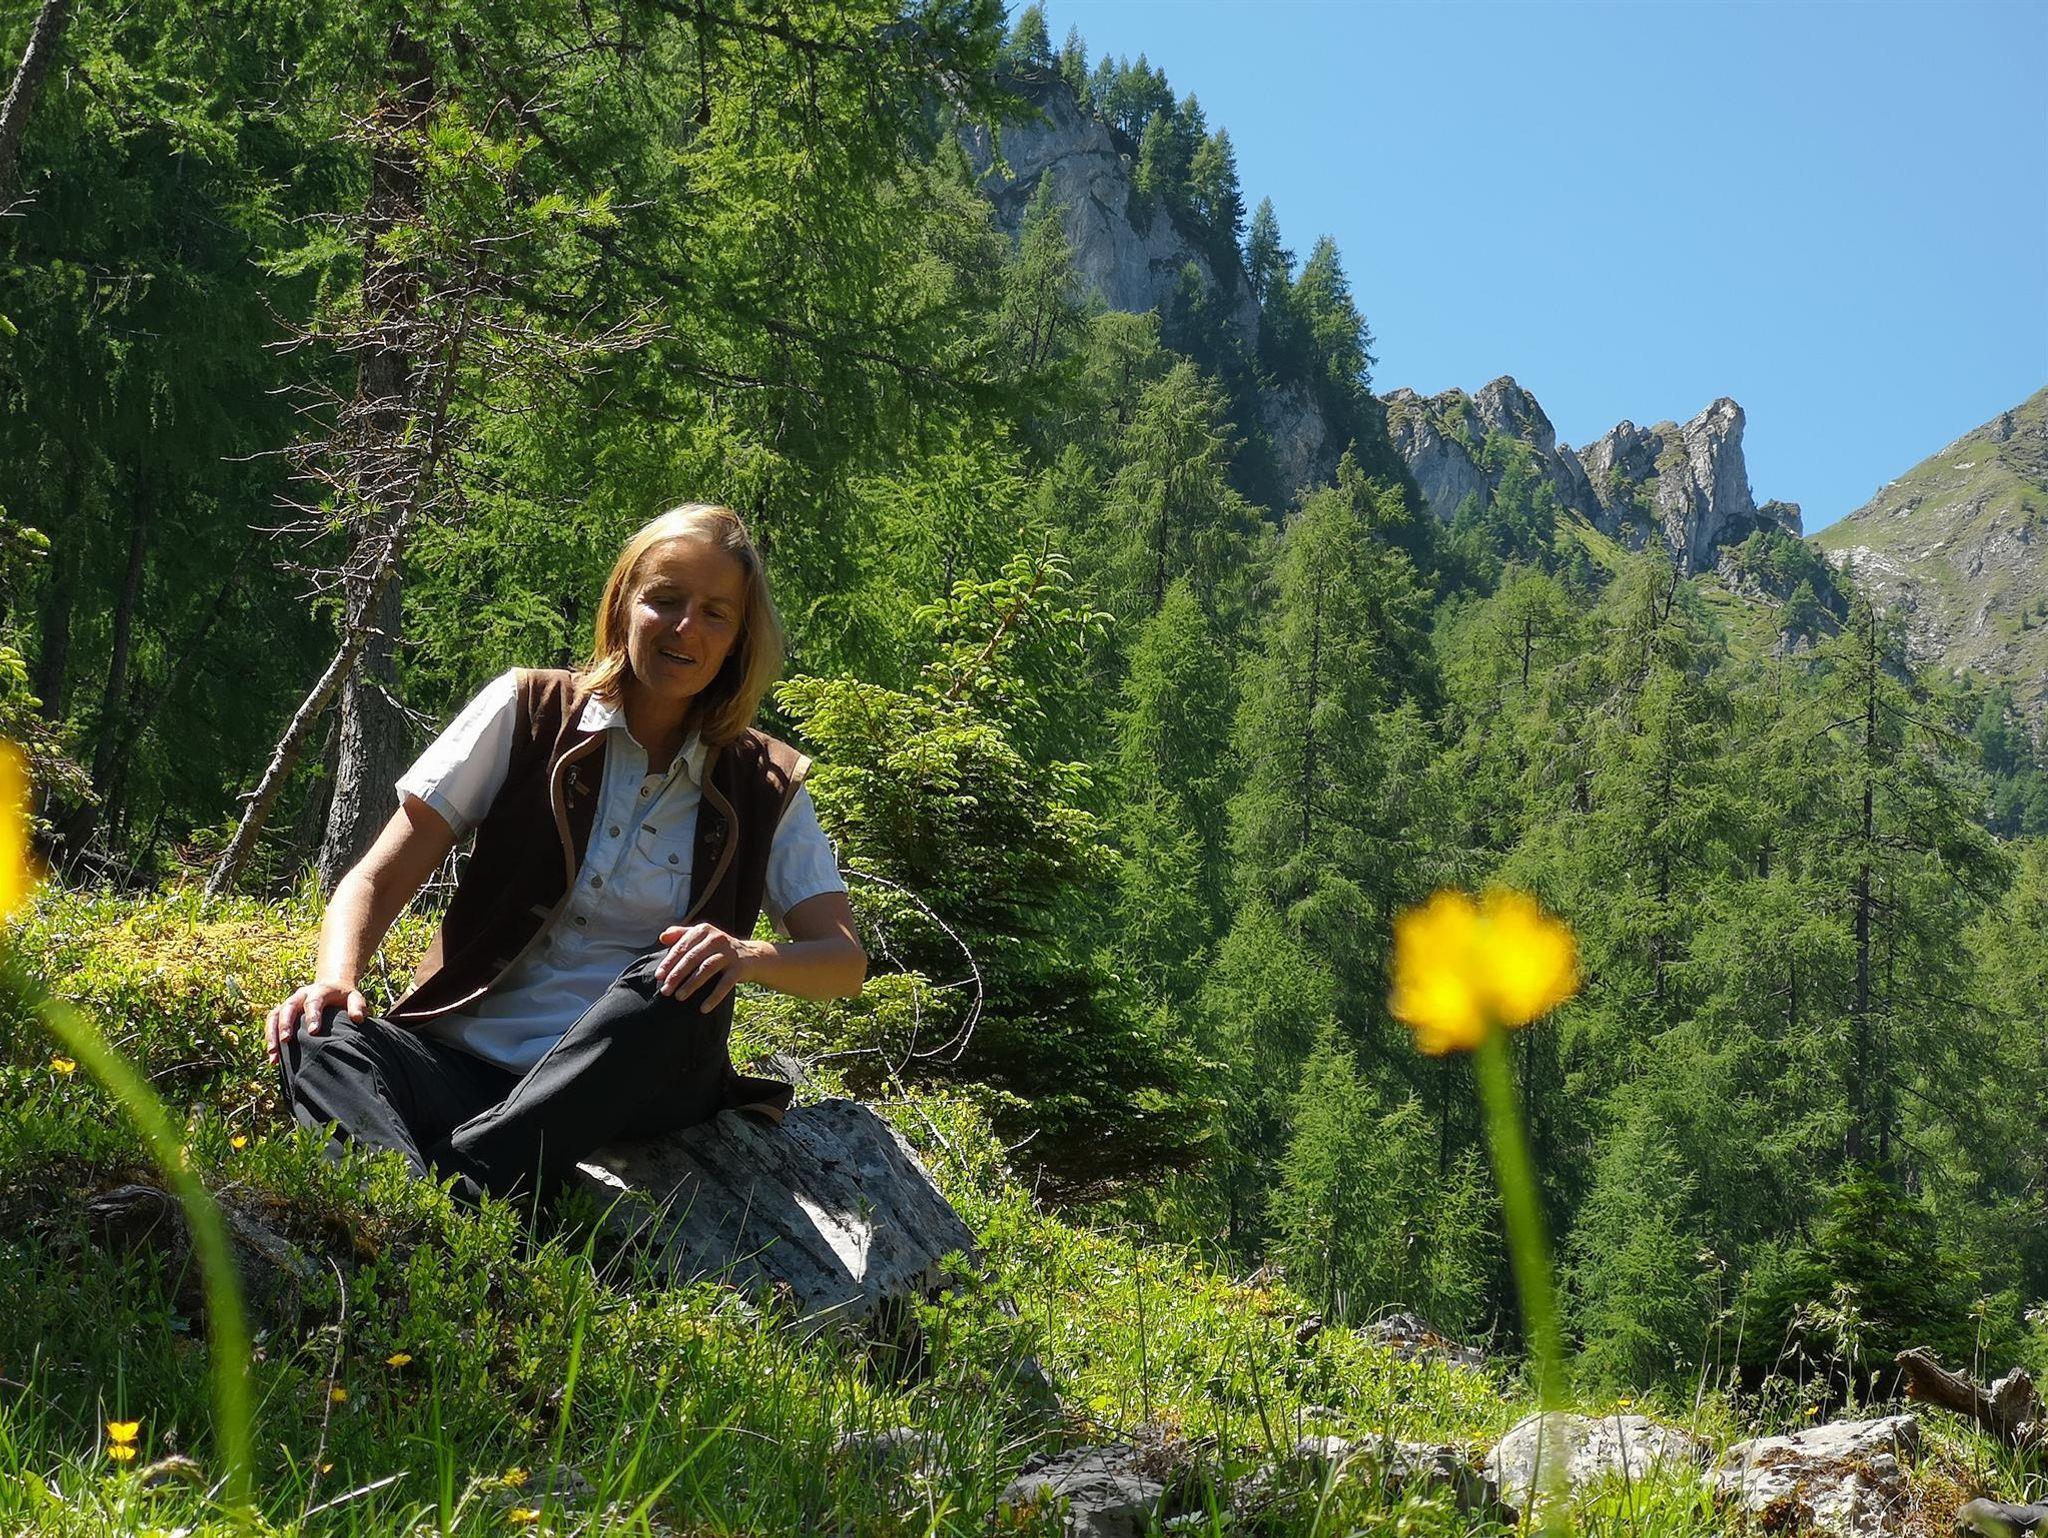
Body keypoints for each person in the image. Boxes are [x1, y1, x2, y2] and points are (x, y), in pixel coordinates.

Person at [263, 504, 865, 1203]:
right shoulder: (527, 708)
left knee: (671, 979)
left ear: (738, 640)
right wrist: (336, 979)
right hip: (459, 1058)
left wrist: (743, 954)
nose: (685, 628)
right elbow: (375, 877)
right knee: (315, 1032)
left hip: (630, 1088)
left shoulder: (766, 782)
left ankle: (439, 1201)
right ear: (623, 604)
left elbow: (843, 963)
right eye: (665, 600)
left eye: (715, 614)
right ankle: (428, 1204)